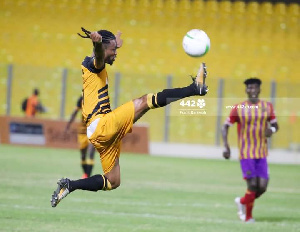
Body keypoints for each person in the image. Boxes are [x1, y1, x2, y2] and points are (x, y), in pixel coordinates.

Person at [50, 27, 209, 207]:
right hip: (101, 124)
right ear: (102, 49)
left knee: (112, 181)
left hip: (99, 133)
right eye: (114, 50)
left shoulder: (94, 63)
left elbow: (104, 52)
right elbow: (100, 56)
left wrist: (113, 43)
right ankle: (195, 88)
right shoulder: (94, 65)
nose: (116, 54)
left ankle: (70, 185)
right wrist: (97, 45)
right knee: (146, 101)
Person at [221, 78, 279, 223]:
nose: (252, 91)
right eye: (250, 88)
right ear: (246, 90)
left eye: (255, 88)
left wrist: (271, 130)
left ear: (259, 89)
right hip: (246, 153)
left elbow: (275, 125)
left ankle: (241, 201)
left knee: (262, 187)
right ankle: (248, 217)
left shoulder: (267, 107)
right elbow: (225, 126)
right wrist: (226, 146)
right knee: (252, 185)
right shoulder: (238, 108)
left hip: (262, 153)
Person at [65, 96, 95, 179]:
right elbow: (74, 113)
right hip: (82, 131)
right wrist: (68, 125)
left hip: (92, 129)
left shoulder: (96, 99)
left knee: (91, 152)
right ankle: (86, 174)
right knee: (83, 155)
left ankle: (88, 176)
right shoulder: (81, 100)